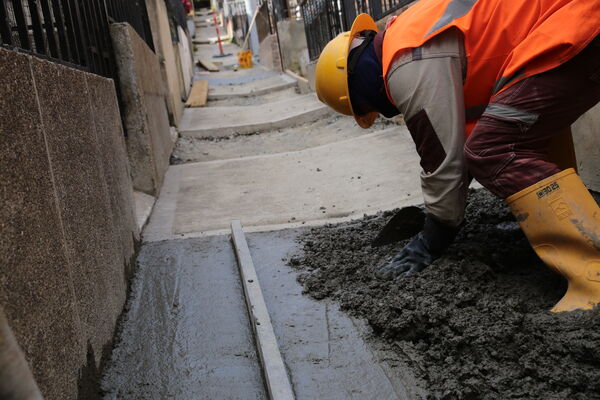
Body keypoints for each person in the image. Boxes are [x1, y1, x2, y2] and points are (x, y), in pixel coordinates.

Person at [314, 0, 600, 312]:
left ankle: (593, 274)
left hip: (578, 24)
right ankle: (554, 220)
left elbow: (442, 158)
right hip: (576, 20)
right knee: (517, 131)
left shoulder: (406, 59)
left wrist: (433, 236)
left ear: (358, 88)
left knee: (492, 149)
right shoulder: (410, 29)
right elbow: (461, 136)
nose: (382, 111)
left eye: (369, 108)